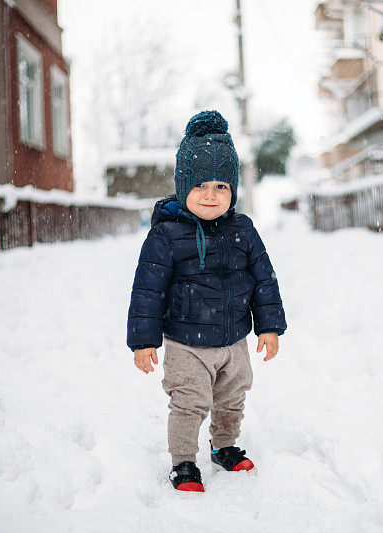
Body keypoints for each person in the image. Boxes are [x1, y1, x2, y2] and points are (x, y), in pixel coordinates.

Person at [127, 110, 287, 493]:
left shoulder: (243, 230)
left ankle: (224, 446)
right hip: (186, 343)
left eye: (221, 186)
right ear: (184, 187)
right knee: (189, 401)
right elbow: (147, 290)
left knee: (232, 398)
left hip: (234, 342)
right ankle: (183, 461)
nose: (211, 195)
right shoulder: (166, 235)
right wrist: (143, 340)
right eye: (201, 185)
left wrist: (269, 327)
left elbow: (264, 278)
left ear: (233, 190)